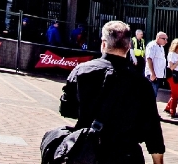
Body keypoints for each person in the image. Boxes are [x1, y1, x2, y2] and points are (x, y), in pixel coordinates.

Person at [59, 20, 165, 164]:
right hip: (125, 154)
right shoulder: (141, 83)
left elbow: (66, 109)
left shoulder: (81, 71)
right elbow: (152, 127)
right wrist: (158, 161)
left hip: (87, 153)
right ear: (128, 46)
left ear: (103, 43)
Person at [163, 38, 178, 120]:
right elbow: (171, 67)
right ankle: (172, 111)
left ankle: (168, 107)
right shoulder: (171, 54)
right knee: (175, 94)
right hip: (173, 75)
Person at [144, 31, 168, 97]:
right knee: (151, 94)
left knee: (154, 94)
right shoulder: (152, 45)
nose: (166, 41)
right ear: (158, 38)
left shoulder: (161, 47)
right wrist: (152, 73)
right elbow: (149, 59)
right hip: (152, 75)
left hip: (158, 75)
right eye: (164, 39)